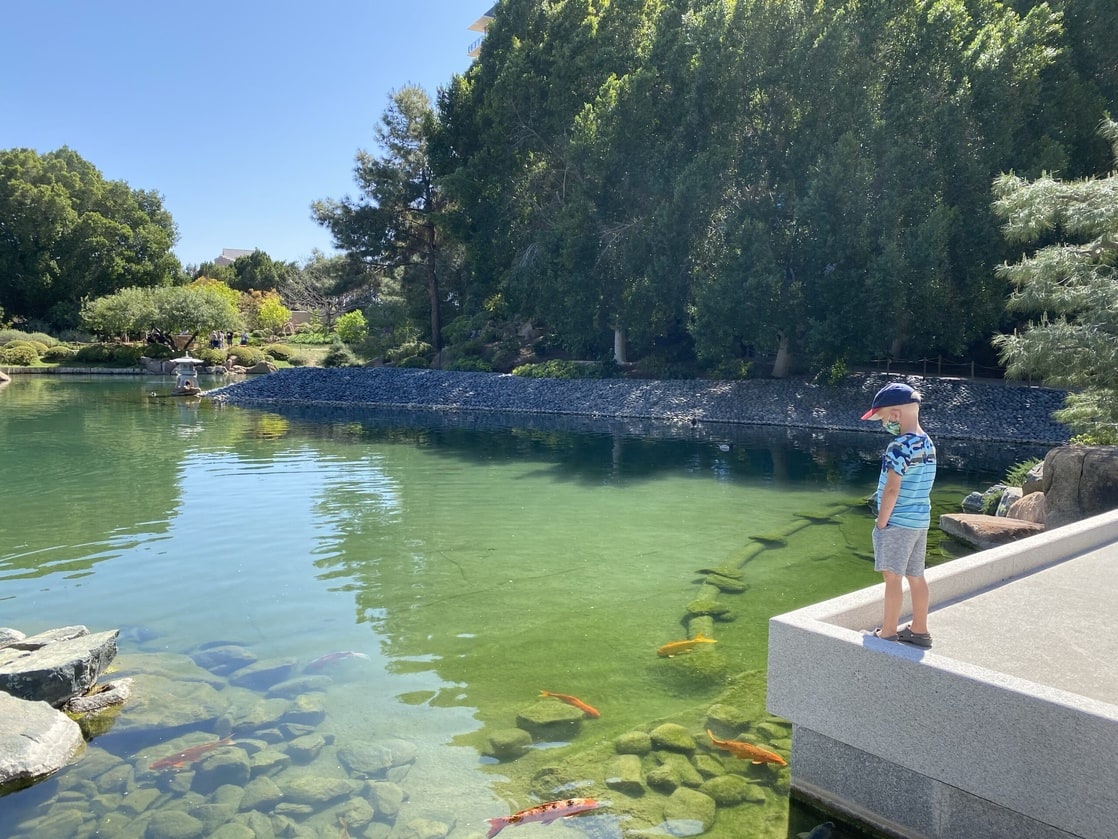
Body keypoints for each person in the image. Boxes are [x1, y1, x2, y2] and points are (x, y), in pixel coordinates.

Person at [861, 383, 936, 647]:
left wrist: (882, 523)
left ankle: (889, 631)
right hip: (920, 521)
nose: (883, 424)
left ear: (895, 414)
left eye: (882, 418)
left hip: (898, 522)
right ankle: (919, 629)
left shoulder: (899, 447)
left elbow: (892, 489)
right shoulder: (927, 443)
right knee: (916, 576)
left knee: (892, 577)